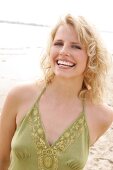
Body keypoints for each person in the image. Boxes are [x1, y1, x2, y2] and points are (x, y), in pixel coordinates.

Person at [0, 14, 113, 170]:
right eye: (58, 43)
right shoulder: (19, 96)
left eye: (76, 46)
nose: (64, 51)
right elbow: (2, 159)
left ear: (92, 56)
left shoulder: (103, 115)